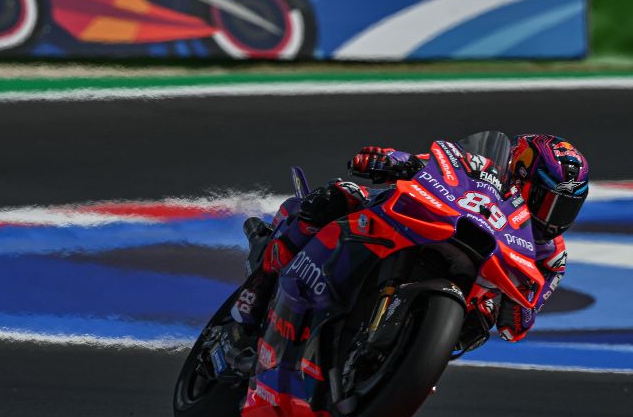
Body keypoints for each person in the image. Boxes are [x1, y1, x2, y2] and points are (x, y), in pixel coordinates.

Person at [231, 135, 589, 348]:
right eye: (548, 201)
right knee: (342, 195)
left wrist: (514, 303)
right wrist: (391, 159)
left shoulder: (552, 256)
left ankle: (395, 359)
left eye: (567, 208)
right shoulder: (485, 169)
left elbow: (517, 326)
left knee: (479, 325)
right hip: (423, 225)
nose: (554, 218)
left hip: (468, 293)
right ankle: (263, 280)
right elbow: (433, 164)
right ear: (522, 176)